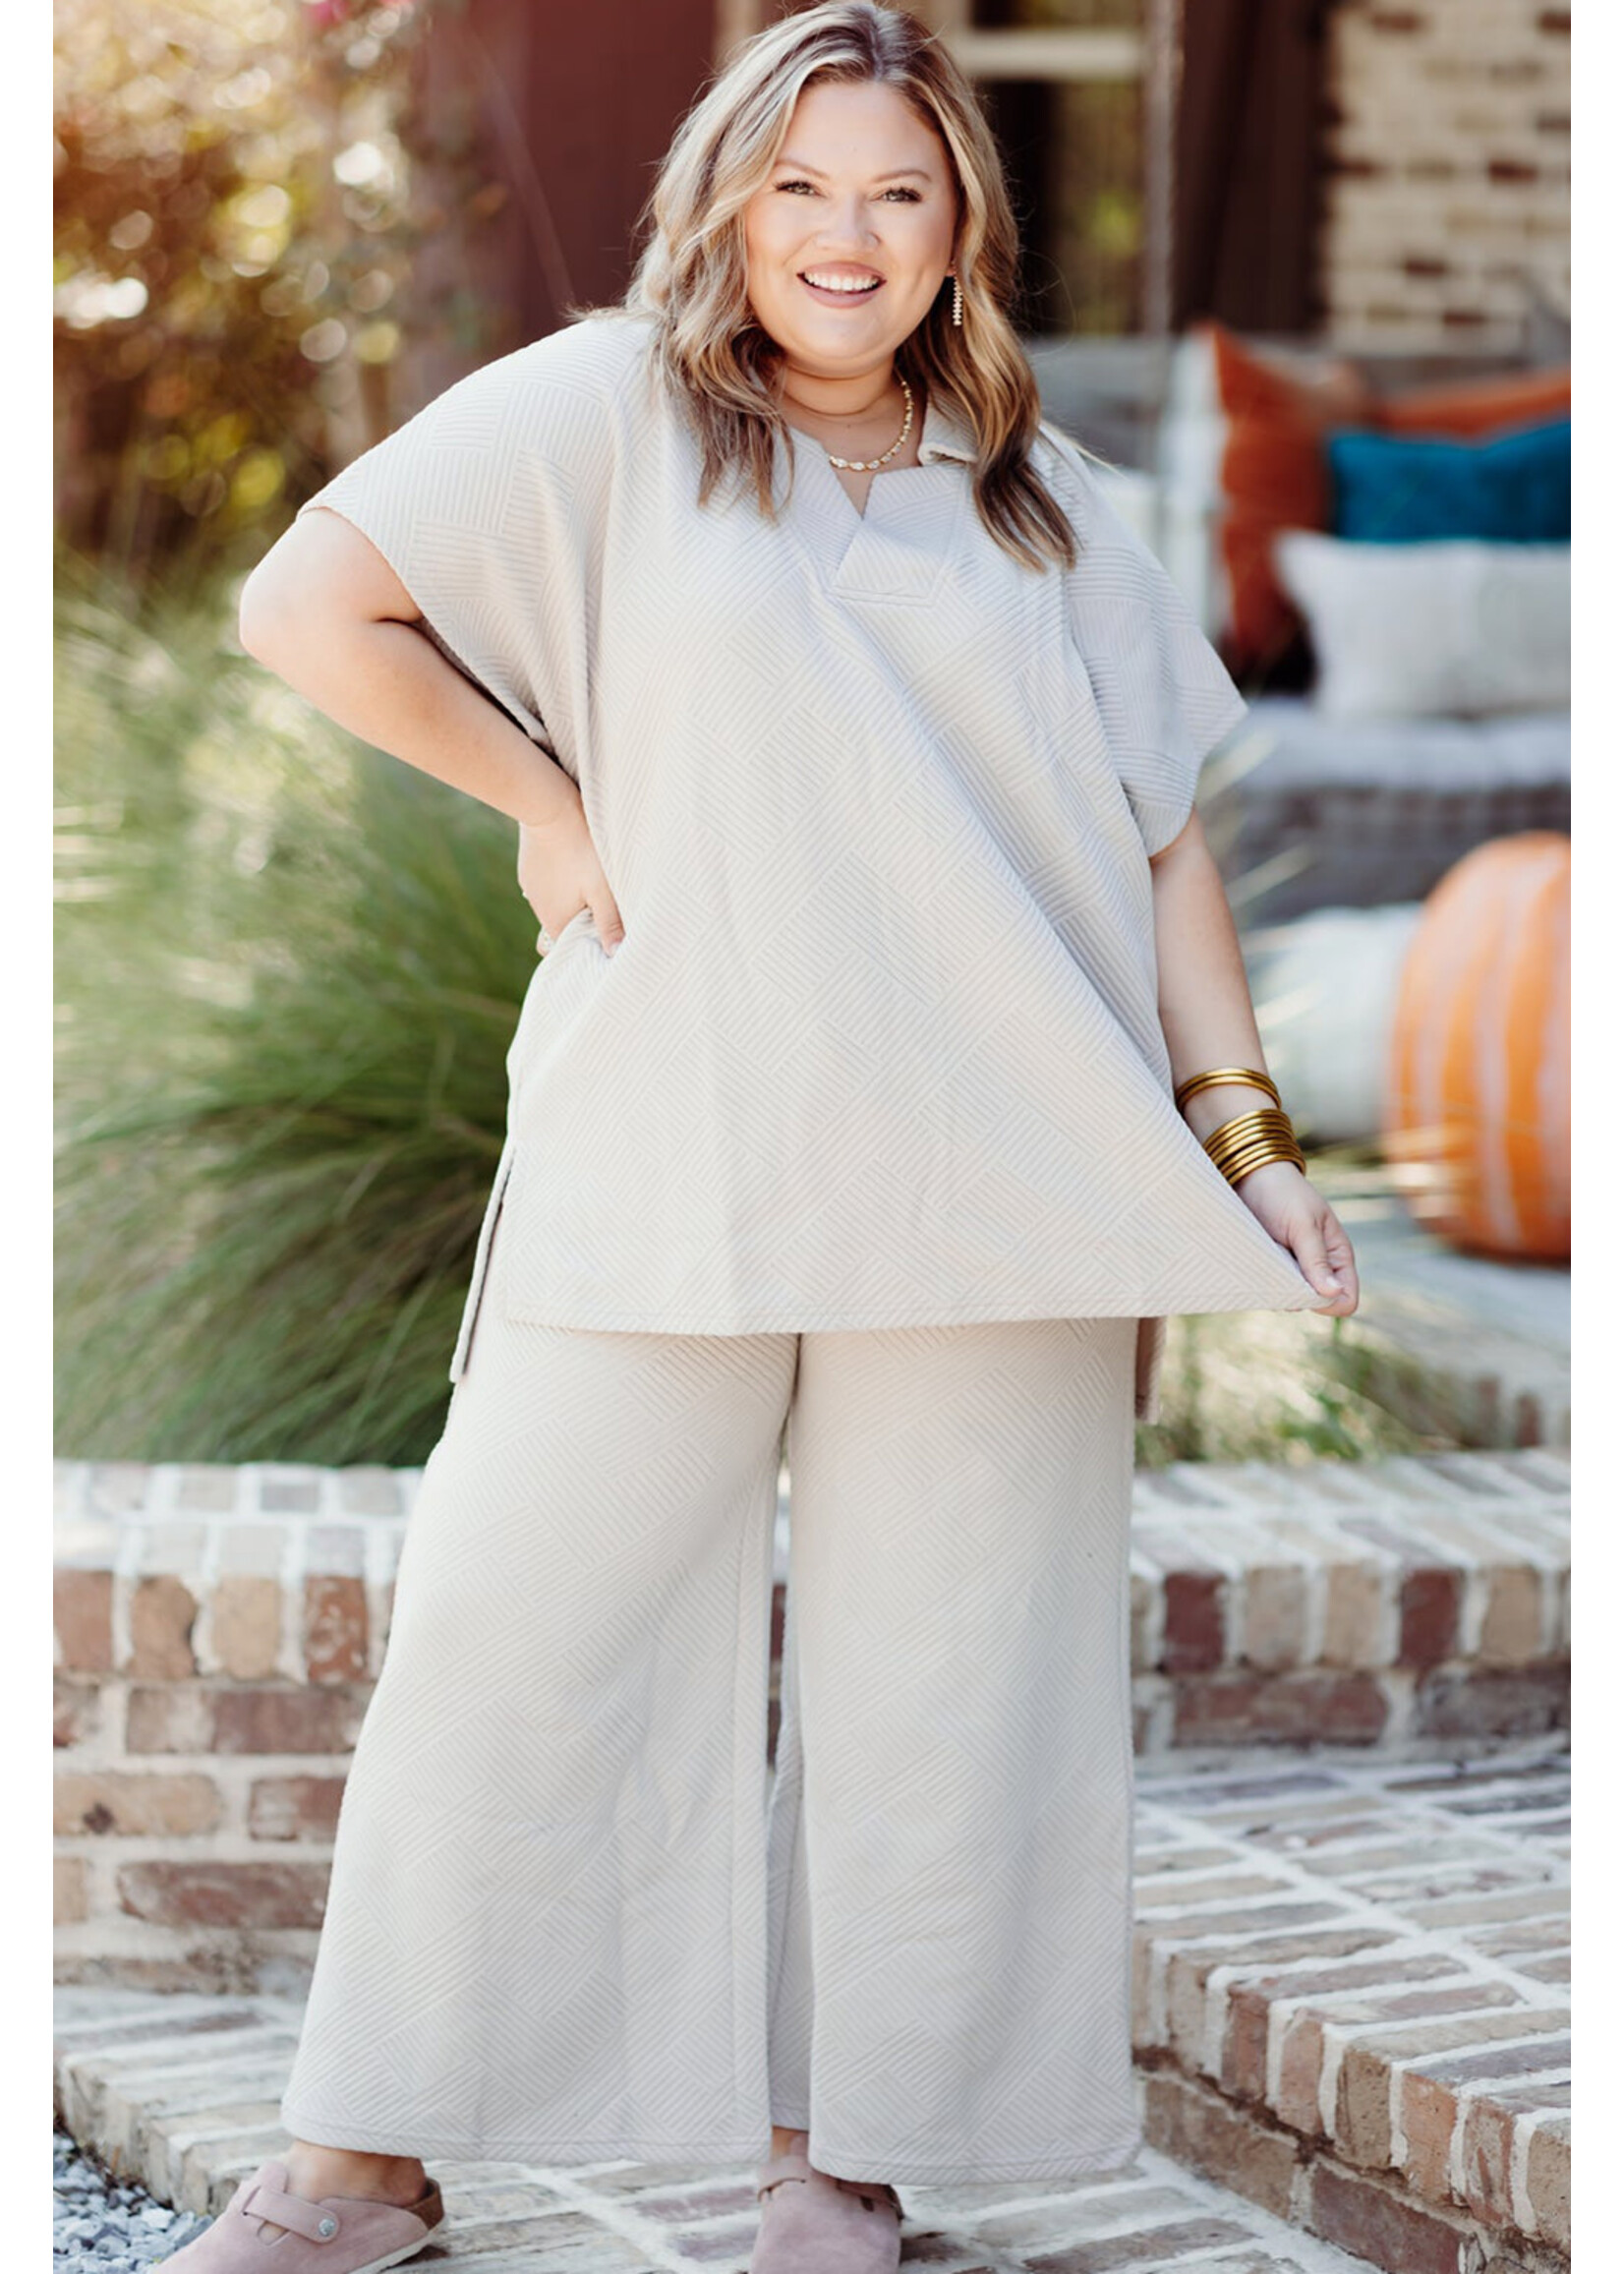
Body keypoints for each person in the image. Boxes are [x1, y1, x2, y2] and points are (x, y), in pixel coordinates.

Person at [167, 6, 1358, 2270]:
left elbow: (1162, 849)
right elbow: (306, 601)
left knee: (948, 1684)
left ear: (959, 233)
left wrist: (1247, 1138)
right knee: (512, 1631)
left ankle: (844, 2164)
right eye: (803, 188)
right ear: (726, 201)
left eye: (899, 195)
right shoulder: (610, 413)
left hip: (1000, 1174)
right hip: (673, 1131)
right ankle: (359, 2161)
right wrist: (548, 797)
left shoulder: (1042, 487)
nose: (848, 234)